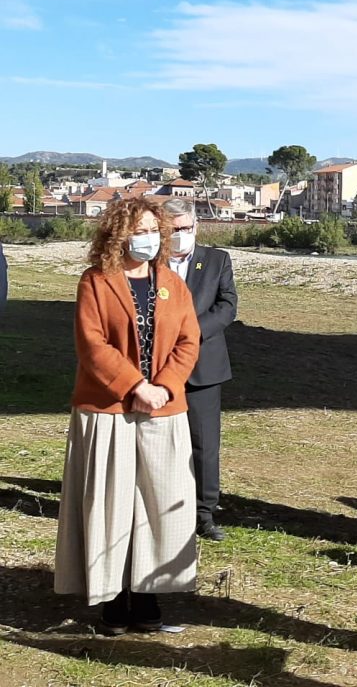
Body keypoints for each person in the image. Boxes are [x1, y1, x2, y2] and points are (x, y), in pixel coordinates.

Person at [55, 196, 201, 634]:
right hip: (108, 409)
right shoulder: (96, 281)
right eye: (139, 231)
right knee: (112, 502)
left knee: (158, 504)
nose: (149, 239)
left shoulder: (174, 284)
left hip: (163, 409)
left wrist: (163, 388)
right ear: (119, 234)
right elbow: (92, 344)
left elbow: (188, 342)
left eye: (155, 230)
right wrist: (134, 386)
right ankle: (113, 598)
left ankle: (148, 595)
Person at [163, 198, 238, 542]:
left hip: (203, 367)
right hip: (159, 367)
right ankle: (160, 507)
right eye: (173, 229)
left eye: (186, 228)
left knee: (204, 444)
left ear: (196, 225)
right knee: (159, 441)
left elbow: (227, 306)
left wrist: (190, 331)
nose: (180, 235)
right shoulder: (150, 261)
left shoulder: (217, 260)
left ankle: (204, 513)